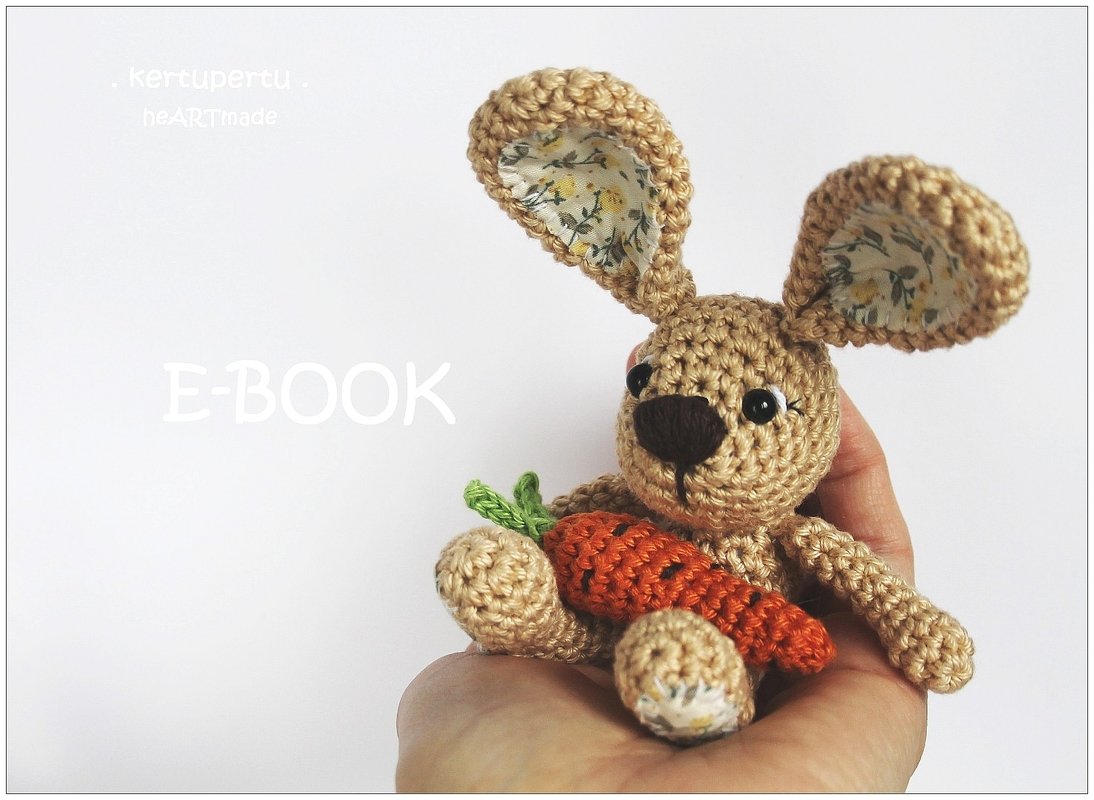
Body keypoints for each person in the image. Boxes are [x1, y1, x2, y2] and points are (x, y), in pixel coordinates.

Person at [396, 388, 927, 791]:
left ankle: (699, 697)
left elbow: (865, 576)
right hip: (599, 624)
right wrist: (541, 534)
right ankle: (529, 619)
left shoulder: (796, 534)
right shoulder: (623, 501)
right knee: (507, 579)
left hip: (730, 646)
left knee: (680, 652)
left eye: (761, 407)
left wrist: (914, 625)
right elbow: (557, 518)